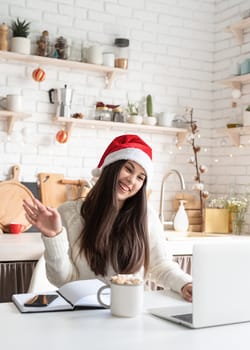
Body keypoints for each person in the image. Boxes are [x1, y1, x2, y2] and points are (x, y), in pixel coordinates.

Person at [23, 134, 192, 302]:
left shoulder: (147, 216)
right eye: (128, 169)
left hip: (131, 309)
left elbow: (160, 266)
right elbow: (62, 280)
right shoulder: (68, 214)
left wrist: (185, 284)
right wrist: (53, 236)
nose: (132, 180)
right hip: (84, 314)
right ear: (111, 167)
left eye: (140, 177)